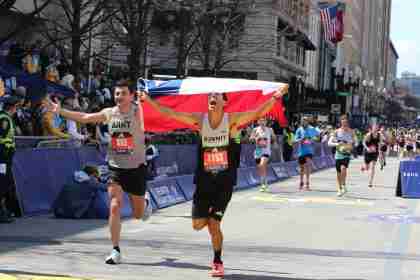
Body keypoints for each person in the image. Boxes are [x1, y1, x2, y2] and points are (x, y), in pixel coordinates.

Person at [139, 84, 288, 277]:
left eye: (217, 94)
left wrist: (275, 97)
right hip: (204, 181)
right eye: (210, 94)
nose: (212, 96)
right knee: (198, 225)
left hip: (224, 182)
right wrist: (149, 100)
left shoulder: (232, 120)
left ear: (225, 102)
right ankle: (205, 217)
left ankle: (217, 261)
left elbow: (258, 111)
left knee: (214, 224)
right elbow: (170, 113)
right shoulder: (199, 120)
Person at [44, 80, 153, 265]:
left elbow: (162, 116)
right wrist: (60, 111)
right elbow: (85, 117)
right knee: (114, 206)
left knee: (137, 214)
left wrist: (150, 101)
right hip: (115, 168)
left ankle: (145, 202)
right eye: (117, 93)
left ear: (132, 95)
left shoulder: (140, 112)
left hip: (136, 169)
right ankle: (115, 250)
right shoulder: (109, 113)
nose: (119, 97)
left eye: (123, 93)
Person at [0, 96, 21, 223]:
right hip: (2, 157)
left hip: (5, 157)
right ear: (13, 107)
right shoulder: (4, 119)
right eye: (16, 107)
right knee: (2, 183)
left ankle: (4, 210)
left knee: (5, 183)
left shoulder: (7, 118)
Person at [328, 115, 357, 197]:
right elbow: (329, 143)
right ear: (341, 122)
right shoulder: (336, 132)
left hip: (346, 154)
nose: (344, 124)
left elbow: (356, 142)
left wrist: (351, 145)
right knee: (338, 173)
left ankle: (343, 185)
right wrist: (337, 143)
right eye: (343, 122)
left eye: (346, 123)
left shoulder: (351, 132)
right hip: (338, 154)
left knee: (343, 168)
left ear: (347, 123)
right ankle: (339, 188)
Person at [250, 118, 277, 192]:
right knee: (261, 168)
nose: (262, 122)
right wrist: (254, 137)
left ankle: (263, 184)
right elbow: (251, 139)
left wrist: (274, 143)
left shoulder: (270, 129)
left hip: (266, 151)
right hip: (258, 151)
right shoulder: (255, 130)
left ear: (266, 122)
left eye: (264, 121)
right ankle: (264, 182)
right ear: (258, 122)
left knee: (262, 165)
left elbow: (274, 138)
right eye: (260, 121)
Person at [294, 116, 320, 191]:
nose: (304, 121)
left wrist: (312, 139)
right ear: (301, 121)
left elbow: (318, 137)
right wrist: (301, 140)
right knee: (302, 168)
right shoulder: (299, 129)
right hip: (301, 151)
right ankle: (301, 182)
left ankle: (307, 183)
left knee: (308, 164)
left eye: (305, 120)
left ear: (308, 121)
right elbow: (295, 139)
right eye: (303, 120)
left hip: (309, 151)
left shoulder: (311, 129)